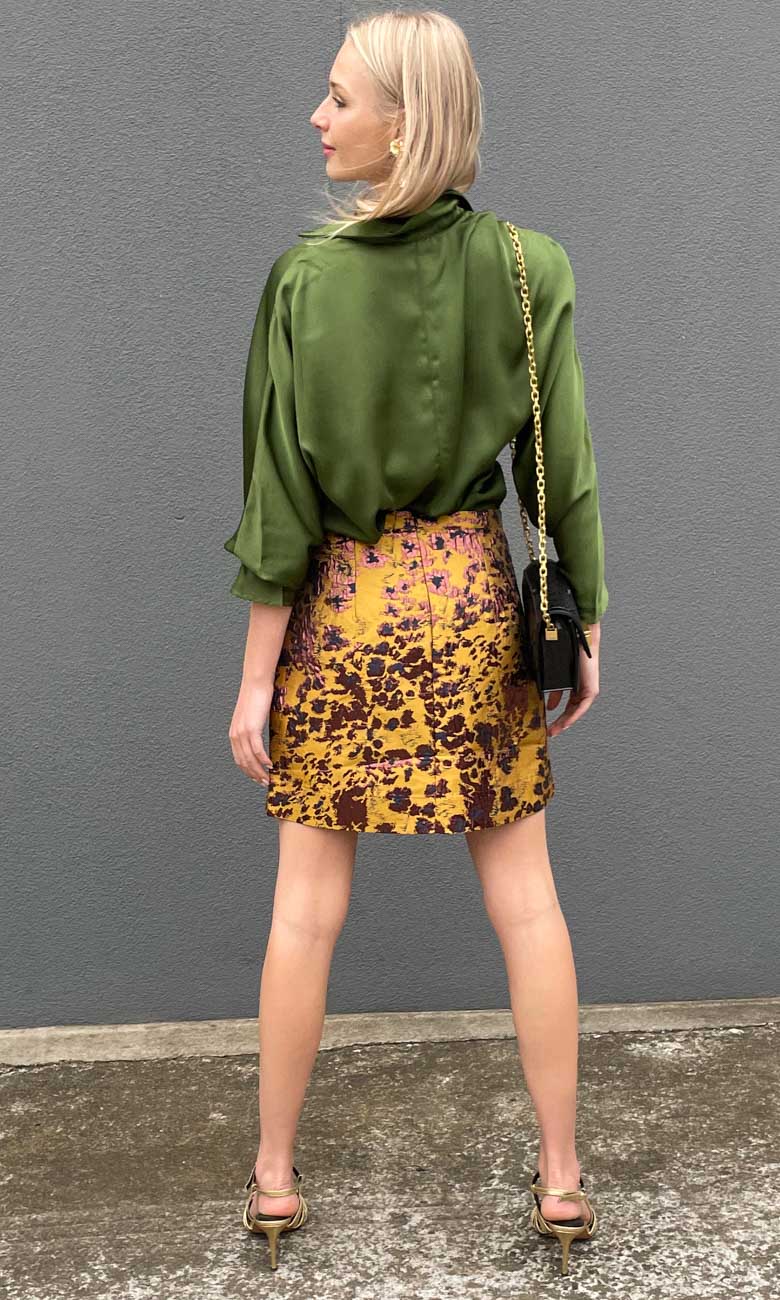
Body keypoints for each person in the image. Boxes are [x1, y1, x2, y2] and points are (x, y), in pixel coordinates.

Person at [224, 8, 606, 1277]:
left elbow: (279, 500)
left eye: (340, 97)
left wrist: (256, 678)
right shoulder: (529, 266)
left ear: (405, 121)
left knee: (304, 909)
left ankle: (275, 1175)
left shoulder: (307, 281)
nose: (318, 116)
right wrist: (585, 617)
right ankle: (562, 1176)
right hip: (474, 607)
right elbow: (562, 471)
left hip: (348, 610)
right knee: (527, 898)